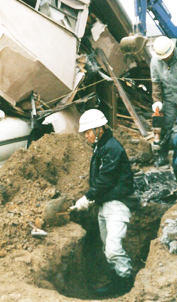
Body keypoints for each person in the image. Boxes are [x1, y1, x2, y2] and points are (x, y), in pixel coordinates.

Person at [70, 109, 135, 297]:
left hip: (118, 203)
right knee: (108, 249)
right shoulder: (101, 147)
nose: (86, 136)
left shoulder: (112, 148)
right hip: (105, 204)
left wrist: (88, 197)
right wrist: (92, 199)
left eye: (88, 131)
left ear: (99, 129)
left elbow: (105, 179)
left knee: (114, 248)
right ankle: (116, 281)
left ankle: (126, 283)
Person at [150, 36, 177, 166]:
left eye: (167, 56)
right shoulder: (155, 61)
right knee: (164, 127)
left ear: (173, 49)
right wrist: (157, 101)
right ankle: (161, 155)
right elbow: (156, 84)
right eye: (163, 57)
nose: (165, 59)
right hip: (169, 100)